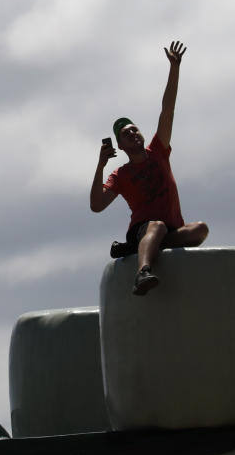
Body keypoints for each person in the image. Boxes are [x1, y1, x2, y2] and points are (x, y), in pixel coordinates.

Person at [89, 41, 208, 296]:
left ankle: (139, 248)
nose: (132, 133)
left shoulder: (158, 152)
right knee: (156, 226)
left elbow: (168, 109)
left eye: (134, 129)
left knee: (200, 229)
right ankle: (142, 272)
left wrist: (174, 68)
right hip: (146, 226)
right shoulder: (120, 174)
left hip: (172, 228)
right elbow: (97, 205)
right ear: (119, 145)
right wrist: (100, 165)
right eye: (125, 133)